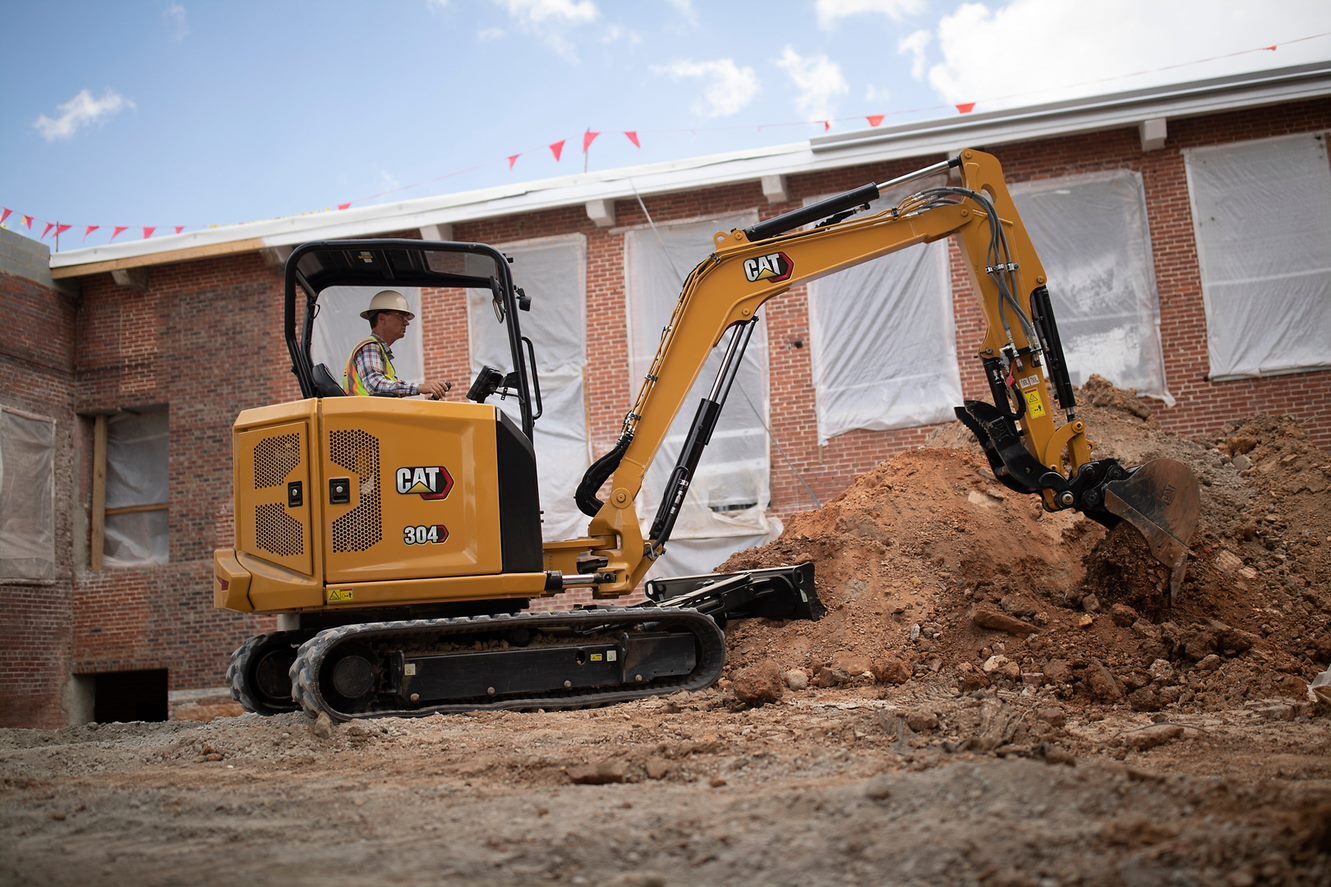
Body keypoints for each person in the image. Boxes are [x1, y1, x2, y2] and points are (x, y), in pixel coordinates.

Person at [343, 290, 451, 398]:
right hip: (363, 410)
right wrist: (420, 387)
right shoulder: (370, 347)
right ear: (381, 318)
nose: (407, 322)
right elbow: (376, 385)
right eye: (401, 316)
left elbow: (385, 395)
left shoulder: (381, 353)